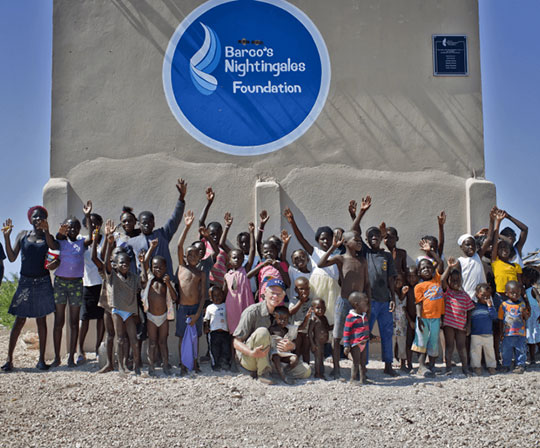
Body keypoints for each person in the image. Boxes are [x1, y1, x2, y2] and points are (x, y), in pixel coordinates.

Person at [1, 207, 56, 371]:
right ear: (30, 219)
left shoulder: (49, 237)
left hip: (43, 282)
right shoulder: (23, 235)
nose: (38, 219)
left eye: (41, 217)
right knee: (19, 321)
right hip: (25, 282)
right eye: (35, 216)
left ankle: (41, 361)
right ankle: (9, 360)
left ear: (45, 220)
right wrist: (6, 238)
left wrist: (47, 232)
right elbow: (11, 258)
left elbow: (54, 248)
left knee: (41, 321)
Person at [232, 279, 311, 385]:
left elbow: (292, 332)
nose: (275, 296)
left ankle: (277, 371)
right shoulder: (252, 312)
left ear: (283, 296)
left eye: (279, 294)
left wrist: (292, 346)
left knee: (306, 371)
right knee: (262, 332)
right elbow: (236, 341)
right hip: (252, 357)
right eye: (272, 293)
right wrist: (251, 352)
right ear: (264, 293)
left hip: (273, 357)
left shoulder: (283, 313)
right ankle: (263, 373)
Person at [318, 229, 370, 379]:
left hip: (360, 305)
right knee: (337, 336)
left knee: (360, 336)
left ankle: (361, 370)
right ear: (346, 243)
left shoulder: (362, 261)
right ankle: (336, 368)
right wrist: (333, 247)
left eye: (360, 240)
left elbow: (367, 284)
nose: (359, 242)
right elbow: (321, 264)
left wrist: (369, 303)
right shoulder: (340, 258)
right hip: (344, 301)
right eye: (356, 240)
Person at [51, 201, 94, 368]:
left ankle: (71, 357)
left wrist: (88, 216)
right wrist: (55, 232)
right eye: (69, 227)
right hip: (60, 283)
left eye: (76, 228)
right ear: (64, 228)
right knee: (59, 321)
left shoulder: (81, 243)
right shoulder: (59, 242)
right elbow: (53, 241)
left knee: (74, 322)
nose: (73, 230)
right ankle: (56, 357)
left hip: (76, 284)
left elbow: (92, 237)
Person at [284, 206, 340, 325]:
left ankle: (328, 342)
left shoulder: (338, 256)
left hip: (332, 291)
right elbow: (301, 239)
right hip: (317, 287)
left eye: (328, 239)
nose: (326, 242)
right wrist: (292, 222)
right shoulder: (315, 252)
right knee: (314, 316)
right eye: (322, 239)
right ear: (317, 241)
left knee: (330, 317)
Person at [126, 178, 187, 278]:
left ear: (154, 224)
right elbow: (131, 265)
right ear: (139, 224)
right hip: (145, 285)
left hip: (165, 282)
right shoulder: (132, 243)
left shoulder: (162, 235)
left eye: (150, 222)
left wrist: (181, 198)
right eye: (144, 223)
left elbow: (174, 219)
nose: (147, 225)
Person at [104, 224, 141, 375]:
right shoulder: (112, 276)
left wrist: (143, 263)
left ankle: (137, 366)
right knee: (120, 339)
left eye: (126, 263)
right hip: (118, 311)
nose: (124, 265)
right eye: (121, 263)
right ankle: (121, 366)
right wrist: (109, 243)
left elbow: (143, 282)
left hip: (130, 312)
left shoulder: (133, 277)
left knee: (134, 339)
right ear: (116, 265)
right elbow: (106, 264)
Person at [361, 226, 398, 376]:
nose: (374, 238)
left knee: (387, 333)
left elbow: (390, 279)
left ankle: (388, 365)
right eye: (371, 236)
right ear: (367, 240)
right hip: (369, 302)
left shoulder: (387, 256)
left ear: (382, 238)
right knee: (365, 333)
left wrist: (393, 298)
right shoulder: (365, 253)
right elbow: (356, 230)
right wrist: (355, 215)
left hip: (384, 301)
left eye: (377, 235)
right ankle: (363, 366)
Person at [140, 239, 177, 376]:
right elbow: (145, 263)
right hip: (151, 317)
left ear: (165, 268)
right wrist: (151, 248)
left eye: (161, 267)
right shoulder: (149, 280)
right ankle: (151, 366)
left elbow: (174, 298)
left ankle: (166, 364)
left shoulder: (166, 282)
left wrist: (168, 284)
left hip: (163, 318)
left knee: (163, 342)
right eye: (155, 267)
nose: (158, 269)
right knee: (152, 342)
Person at [176, 211, 206, 373]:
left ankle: (195, 362)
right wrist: (187, 227)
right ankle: (183, 364)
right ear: (185, 257)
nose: (191, 257)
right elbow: (179, 246)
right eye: (189, 255)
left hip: (196, 309)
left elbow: (203, 296)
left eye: (194, 255)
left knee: (195, 337)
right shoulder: (182, 268)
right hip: (182, 308)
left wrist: (197, 314)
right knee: (182, 337)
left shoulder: (201, 274)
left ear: (199, 258)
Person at [411, 239, 444, 377]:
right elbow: (418, 303)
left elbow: (441, 263)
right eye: (423, 268)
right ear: (419, 273)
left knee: (433, 342)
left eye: (429, 267)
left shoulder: (436, 280)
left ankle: (432, 365)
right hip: (423, 318)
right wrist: (419, 318)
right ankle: (421, 366)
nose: (426, 269)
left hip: (436, 318)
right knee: (421, 342)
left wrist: (430, 251)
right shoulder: (419, 287)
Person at [78, 210, 105, 365]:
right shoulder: (83, 240)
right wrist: (87, 216)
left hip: (102, 285)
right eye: (90, 222)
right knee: (85, 318)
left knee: (101, 318)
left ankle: (97, 349)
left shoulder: (105, 240)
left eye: (96, 222)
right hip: (87, 284)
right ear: (85, 225)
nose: (94, 225)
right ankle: (80, 350)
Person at [89, 221, 116, 373]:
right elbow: (95, 258)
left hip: (122, 306)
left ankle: (128, 361)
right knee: (110, 334)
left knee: (125, 335)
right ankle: (110, 363)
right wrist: (104, 239)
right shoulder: (105, 270)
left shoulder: (121, 269)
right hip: (108, 305)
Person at [441, 257, 475, 375]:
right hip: (449, 324)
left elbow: (470, 310)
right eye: (453, 280)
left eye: (458, 280)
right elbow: (441, 280)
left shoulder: (464, 295)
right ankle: (448, 368)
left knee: (462, 347)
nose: (455, 282)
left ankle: (465, 368)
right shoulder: (447, 292)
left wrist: (468, 325)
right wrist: (449, 267)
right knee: (449, 346)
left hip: (461, 325)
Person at [456, 207, 495, 301]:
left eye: (473, 245)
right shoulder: (459, 262)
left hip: (483, 298)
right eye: (468, 245)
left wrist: (491, 220)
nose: (471, 247)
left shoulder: (477, 256)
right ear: (461, 247)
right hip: (468, 299)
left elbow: (489, 238)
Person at [498, 280, 530, 374]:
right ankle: (506, 365)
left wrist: (524, 312)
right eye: (512, 293)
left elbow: (527, 317)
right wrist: (501, 332)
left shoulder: (522, 304)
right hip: (508, 333)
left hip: (520, 333)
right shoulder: (503, 305)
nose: (515, 295)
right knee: (506, 351)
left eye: (517, 293)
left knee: (521, 350)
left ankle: (520, 365)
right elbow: (500, 320)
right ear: (506, 293)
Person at [469, 283, 498, 375]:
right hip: (476, 333)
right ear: (477, 295)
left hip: (488, 334)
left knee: (490, 351)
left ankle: (491, 366)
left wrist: (490, 306)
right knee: (475, 351)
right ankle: (476, 367)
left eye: (488, 295)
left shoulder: (490, 307)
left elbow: (494, 317)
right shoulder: (474, 307)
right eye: (482, 295)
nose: (485, 297)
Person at [343, 292, 370, 384]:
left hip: (364, 342)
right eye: (365, 303)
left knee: (363, 362)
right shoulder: (350, 317)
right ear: (357, 305)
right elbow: (346, 332)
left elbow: (365, 328)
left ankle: (363, 379)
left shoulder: (364, 316)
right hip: (355, 344)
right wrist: (346, 345)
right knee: (356, 362)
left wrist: (370, 336)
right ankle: (353, 379)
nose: (367, 305)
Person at [268, 306, 299, 384]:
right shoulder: (272, 329)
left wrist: (307, 317)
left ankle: (284, 371)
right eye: (280, 319)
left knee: (294, 359)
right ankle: (283, 377)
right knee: (276, 356)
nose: (283, 321)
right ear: (275, 318)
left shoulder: (288, 329)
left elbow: (301, 327)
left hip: (285, 353)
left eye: (286, 319)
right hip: (274, 353)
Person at [204, 286, 231, 371]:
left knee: (226, 349)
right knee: (214, 349)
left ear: (223, 295)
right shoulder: (210, 307)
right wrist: (206, 327)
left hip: (225, 332)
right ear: (211, 298)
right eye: (215, 296)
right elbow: (206, 319)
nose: (217, 297)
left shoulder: (226, 305)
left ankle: (225, 363)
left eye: (219, 295)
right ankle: (215, 364)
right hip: (214, 333)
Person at [289, 276, 313, 363]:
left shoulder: (311, 301)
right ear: (296, 290)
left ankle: (307, 365)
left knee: (306, 349)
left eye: (306, 289)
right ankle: (296, 365)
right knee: (297, 348)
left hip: (307, 329)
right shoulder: (294, 300)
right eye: (301, 289)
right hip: (297, 329)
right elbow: (291, 311)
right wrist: (301, 301)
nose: (304, 291)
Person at [308, 298, 331, 379]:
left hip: (322, 343)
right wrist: (312, 344)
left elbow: (327, 327)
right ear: (313, 309)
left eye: (323, 308)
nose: (320, 310)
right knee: (317, 358)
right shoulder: (314, 319)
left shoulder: (324, 318)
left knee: (321, 357)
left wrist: (335, 326)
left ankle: (321, 372)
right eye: (318, 308)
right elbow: (310, 332)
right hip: (317, 342)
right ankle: (317, 373)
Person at [522, 267, 540, 365]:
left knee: (537, 337)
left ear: (529, 278)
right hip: (529, 318)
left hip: (535, 317)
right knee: (530, 338)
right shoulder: (523, 290)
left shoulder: (532, 290)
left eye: (523, 277)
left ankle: (533, 357)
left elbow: (539, 300)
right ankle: (532, 358)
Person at [393, 274, 410, 372]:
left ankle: (403, 363)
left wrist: (403, 293)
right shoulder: (390, 293)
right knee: (391, 342)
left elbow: (403, 305)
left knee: (402, 342)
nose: (398, 282)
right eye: (396, 280)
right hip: (392, 322)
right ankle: (389, 363)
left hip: (402, 323)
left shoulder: (405, 292)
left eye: (400, 280)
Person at [405, 266, 419, 371]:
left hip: (420, 319)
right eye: (409, 276)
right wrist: (410, 321)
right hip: (409, 320)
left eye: (414, 276)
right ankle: (409, 364)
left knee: (421, 343)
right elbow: (404, 307)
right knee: (409, 342)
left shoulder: (420, 287)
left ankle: (421, 364)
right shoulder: (407, 289)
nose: (411, 279)